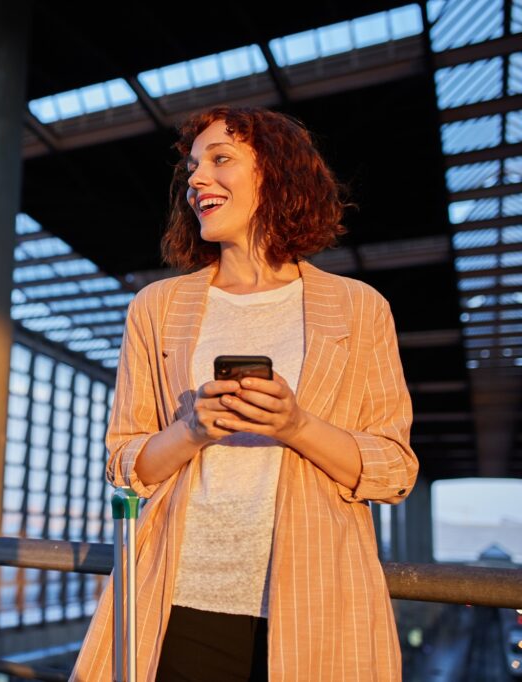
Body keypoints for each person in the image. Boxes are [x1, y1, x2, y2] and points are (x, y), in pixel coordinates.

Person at [70, 106, 418, 681]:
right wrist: (191, 430)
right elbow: (124, 466)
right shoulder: (156, 308)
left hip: (316, 604)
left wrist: (296, 426)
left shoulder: (359, 308)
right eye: (191, 168)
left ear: (276, 174)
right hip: (176, 601)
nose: (196, 179)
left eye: (220, 160)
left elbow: (395, 471)